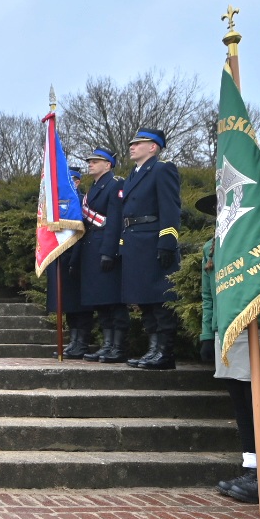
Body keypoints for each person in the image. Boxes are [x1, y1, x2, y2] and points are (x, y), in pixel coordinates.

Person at [195, 193, 260, 503]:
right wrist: (206, 332)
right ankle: (252, 469)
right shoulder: (211, 248)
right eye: (217, 209)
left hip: (259, 328)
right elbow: (209, 295)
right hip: (226, 332)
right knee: (240, 403)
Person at [101, 129, 181, 370]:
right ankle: (153, 349)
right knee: (144, 300)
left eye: (138, 143)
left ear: (153, 147)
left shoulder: (162, 169)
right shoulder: (132, 175)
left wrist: (167, 241)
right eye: (131, 143)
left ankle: (165, 352)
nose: (132, 147)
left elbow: (171, 207)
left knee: (159, 299)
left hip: (152, 240)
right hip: (134, 243)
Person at [79, 148, 128, 362]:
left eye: (96, 161)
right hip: (92, 247)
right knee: (100, 300)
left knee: (113, 300)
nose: (90, 164)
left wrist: (109, 251)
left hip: (105, 247)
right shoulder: (94, 187)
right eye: (89, 161)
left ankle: (118, 347)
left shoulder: (115, 183)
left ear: (108, 165)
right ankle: (107, 345)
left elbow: (115, 220)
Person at [53, 158, 93, 358]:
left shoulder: (80, 202)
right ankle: (73, 340)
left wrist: (75, 259)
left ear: (76, 182)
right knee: (68, 303)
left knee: (79, 304)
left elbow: (82, 233)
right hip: (60, 256)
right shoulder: (56, 204)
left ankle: (82, 342)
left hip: (77, 256)